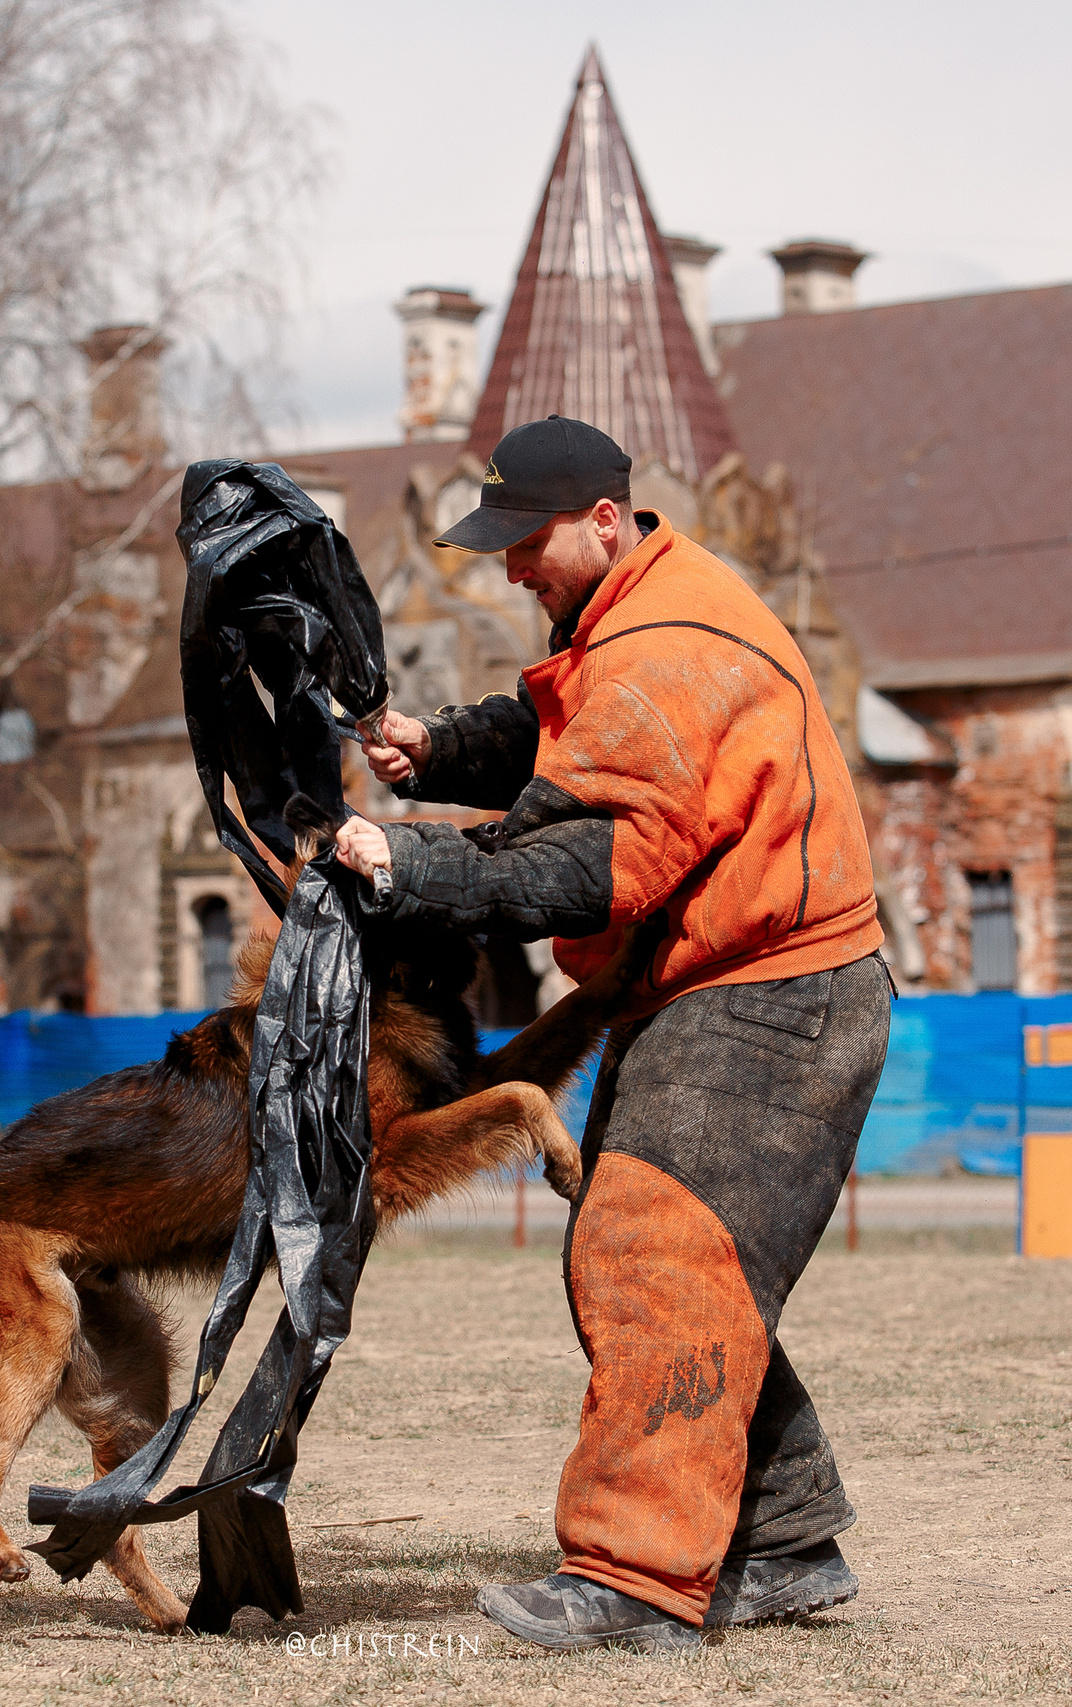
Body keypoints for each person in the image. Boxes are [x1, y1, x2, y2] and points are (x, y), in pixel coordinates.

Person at [331, 415, 892, 1653]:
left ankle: (635, 1580)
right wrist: (434, 750)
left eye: (525, 544)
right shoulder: (636, 619)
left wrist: (407, 867)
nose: (509, 569)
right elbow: (567, 741)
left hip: (770, 992)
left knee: (654, 1251)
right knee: (692, 1265)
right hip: (731, 985)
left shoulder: (664, 642)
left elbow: (596, 861)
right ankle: (787, 1539)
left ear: (603, 518)